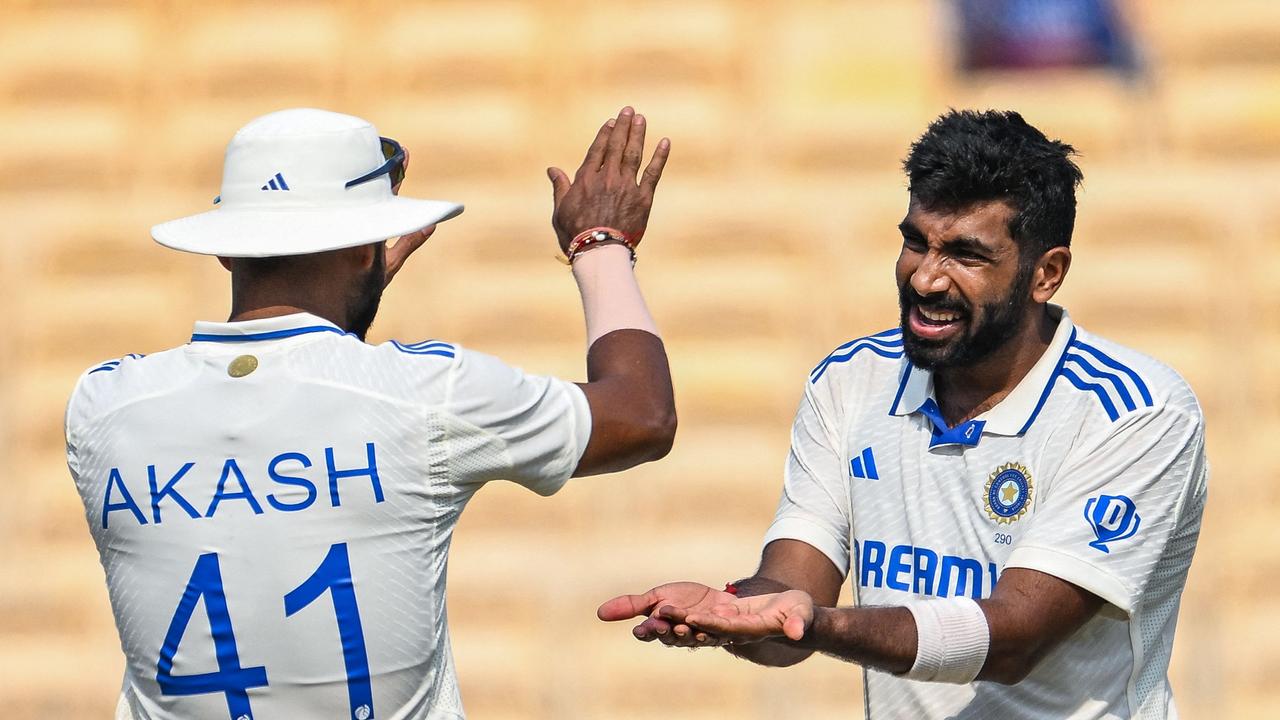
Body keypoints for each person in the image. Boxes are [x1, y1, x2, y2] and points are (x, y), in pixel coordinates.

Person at [67, 105, 674, 720]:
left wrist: (345, 293)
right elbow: (642, 413)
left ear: (227, 250)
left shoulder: (102, 406)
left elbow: (278, 409)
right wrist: (600, 244)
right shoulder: (426, 391)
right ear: (366, 249)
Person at [600, 109, 1207, 719]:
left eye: (965, 255)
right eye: (916, 241)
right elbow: (792, 593)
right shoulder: (850, 380)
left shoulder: (1138, 413)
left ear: (1044, 274)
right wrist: (739, 613)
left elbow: (1015, 637)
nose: (925, 278)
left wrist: (815, 626)